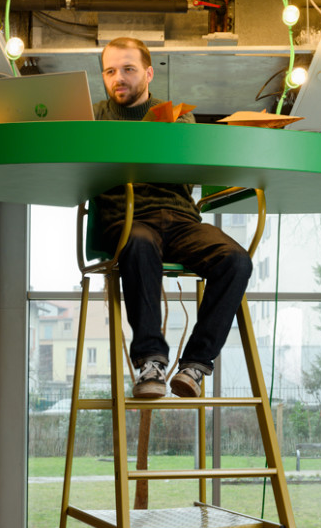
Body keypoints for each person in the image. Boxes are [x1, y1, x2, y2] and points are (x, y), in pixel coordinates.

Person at [93, 37, 253, 398]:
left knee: (236, 261)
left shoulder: (178, 116)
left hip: (181, 220)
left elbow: (191, 176)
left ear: (148, 73)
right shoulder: (93, 117)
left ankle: (195, 364)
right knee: (139, 241)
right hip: (128, 219)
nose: (119, 77)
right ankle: (151, 362)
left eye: (129, 69)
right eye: (110, 70)